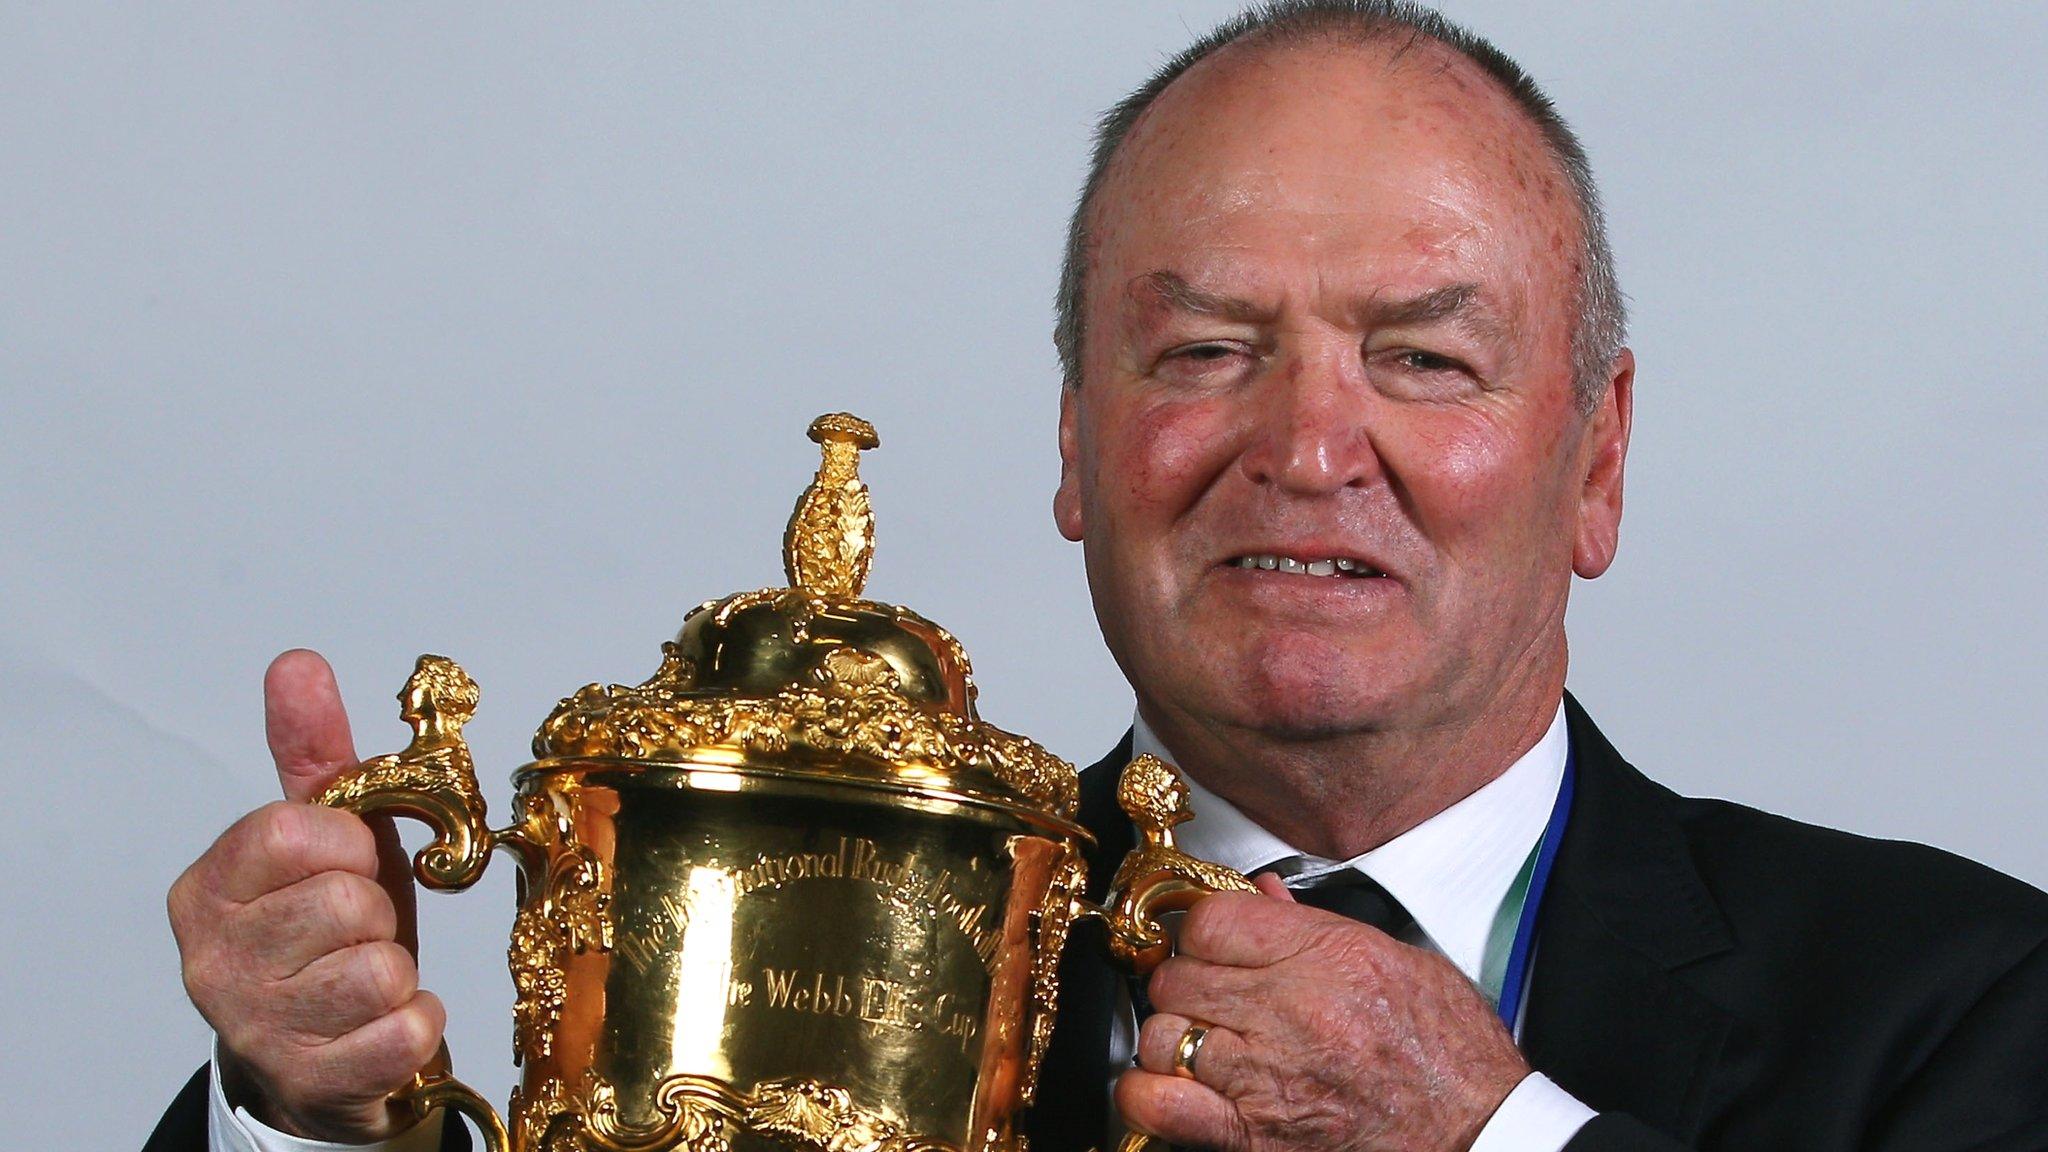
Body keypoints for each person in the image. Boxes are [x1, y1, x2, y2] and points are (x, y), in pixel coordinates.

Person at [147, 3, 2048, 1151]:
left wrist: (1492, 1138)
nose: (1307, 447)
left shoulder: (1959, 1006)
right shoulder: (806, 940)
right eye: (1206, 348)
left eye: (1426, 356)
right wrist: (314, 1122)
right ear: (1075, 448)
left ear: (1597, 460)